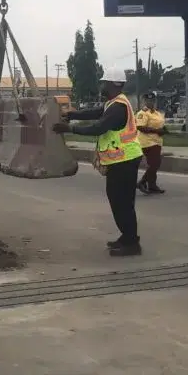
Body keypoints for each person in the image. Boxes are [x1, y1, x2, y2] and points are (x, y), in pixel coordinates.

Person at [53, 67, 143, 256]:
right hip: (123, 160)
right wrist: (72, 115)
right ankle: (128, 237)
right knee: (121, 201)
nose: (102, 86)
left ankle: (132, 243)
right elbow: (94, 113)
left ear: (113, 84)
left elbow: (98, 127)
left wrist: (69, 128)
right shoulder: (114, 103)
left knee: (121, 202)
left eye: (105, 83)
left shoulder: (118, 108)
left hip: (125, 160)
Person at [136, 91, 166, 195]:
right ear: (144, 101)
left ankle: (152, 186)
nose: (150, 102)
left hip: (157, 141)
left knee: (154, 164)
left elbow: (160, 125)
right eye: (148, 100)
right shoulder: (142, 113)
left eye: (152, 100)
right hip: (147, 142)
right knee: (155, 163)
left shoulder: (157, 113)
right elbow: (140, 127)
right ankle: (142, 182)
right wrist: (157, 131)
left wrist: (163, 130)